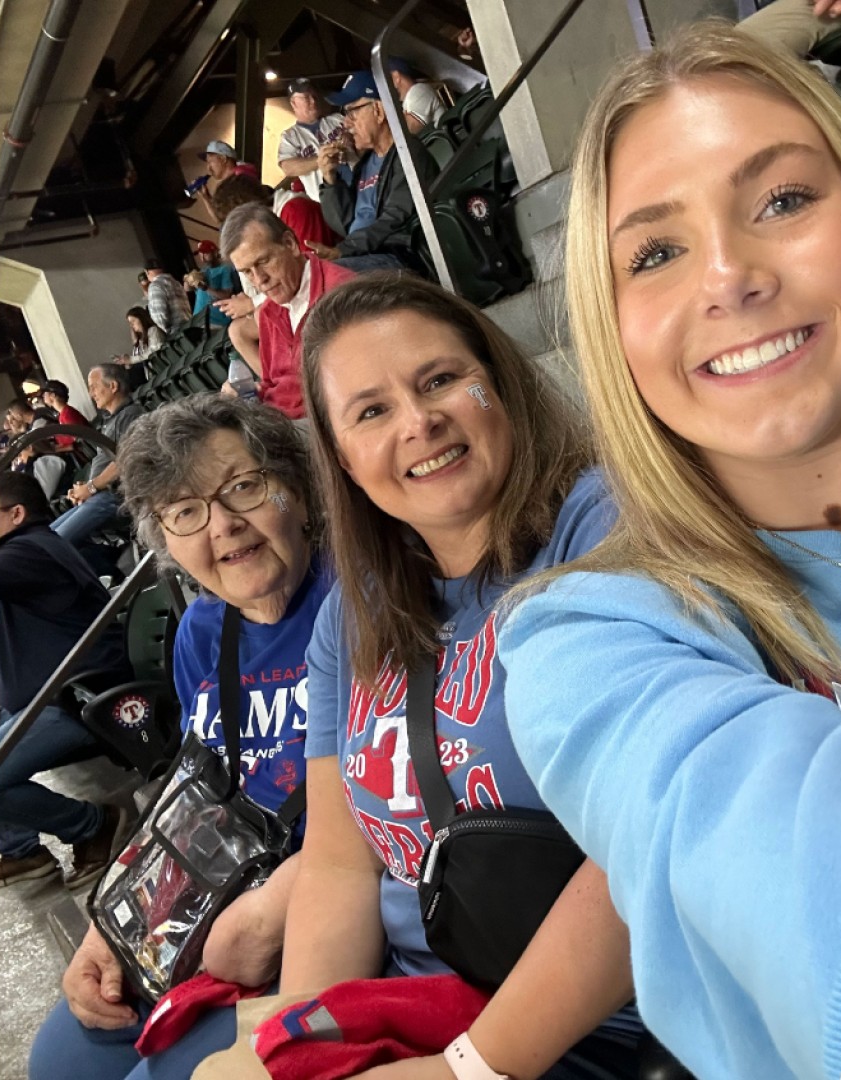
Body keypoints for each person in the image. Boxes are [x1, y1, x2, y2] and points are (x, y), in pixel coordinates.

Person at [495, 25, 841, 1080]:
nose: (730, 277)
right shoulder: (586, 642)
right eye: (655, 254)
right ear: (609, 325)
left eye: (784, 201)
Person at [285, 273, 648, 1077]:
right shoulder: (353, 611)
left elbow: (645, 834)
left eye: (441, 379)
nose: (420, 423)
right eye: (372, 411)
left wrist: (469, 1068)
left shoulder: (603, 524)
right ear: (342, 459)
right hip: (415, 1000)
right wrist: (303, 1042)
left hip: (580, 1029)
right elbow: (340, 865)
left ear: (498, 384)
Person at [28, 395, 333, 1080]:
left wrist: (276, 907)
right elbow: (200, 796)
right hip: (222, 898)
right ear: (164, 538)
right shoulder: (203, 631)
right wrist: (122, 922)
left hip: (327, 914)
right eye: (185, 511)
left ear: (297, 489)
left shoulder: (358, 597)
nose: (223, 525)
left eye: (244, 487)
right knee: (60, 1061)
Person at [0, 471, 133, 889]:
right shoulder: (25, 551)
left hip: (78, 703)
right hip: (48, 702)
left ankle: (93, 825)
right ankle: (23, 850)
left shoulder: (32, 552)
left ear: (16, 514)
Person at [220, 202, 356, 419]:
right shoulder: (267, 313)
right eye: (247, 272)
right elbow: (272, 384)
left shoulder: (341, 296)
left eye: (263, 261)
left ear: (290, 244)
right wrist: (251, 395)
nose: (260, 280)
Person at [315, 71, 440, 273]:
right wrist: (331, 182)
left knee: (328, 280)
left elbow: (395, 218)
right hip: (364, 254)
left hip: (399, 256)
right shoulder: (364, 164)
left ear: (379, 111)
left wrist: (345, 250)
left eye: (352, 112)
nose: (346, 123)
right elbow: (345, 225)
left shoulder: (408, 153)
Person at [51, 364, 144, 548]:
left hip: (116, 497)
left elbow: (125, 459)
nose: (91, 393)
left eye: (94, 386)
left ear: (113, 386)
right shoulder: (110, 420)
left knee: (53, 544)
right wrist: (83, 489)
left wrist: (91, 487)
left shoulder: (130, 414)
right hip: (100, 495)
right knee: (46, 536)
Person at [275, 78, 349, 204]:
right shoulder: (290, 137)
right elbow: (288, 168)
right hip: (324, 203)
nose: (313, 101)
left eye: (314, 95)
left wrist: (351, 139)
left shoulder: (337, 119)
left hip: (356, 190)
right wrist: (324, 158)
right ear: (294, 103)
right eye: (306, 98)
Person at [384, 56, 449, 134]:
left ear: (396, 76)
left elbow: (409, 129)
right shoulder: (408, 99)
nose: (384, 88)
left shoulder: (419, 90)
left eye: (385, 81)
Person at [188, 240, 241, 328]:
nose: (202, 258)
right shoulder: (203, 271)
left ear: (215, 252)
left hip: (215, 321)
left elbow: (226, 295)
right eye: (200, 254)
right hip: (197, 321)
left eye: (206, 253)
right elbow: (192, 291)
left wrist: (205, 287)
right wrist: (188, 281)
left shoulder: (225, 269)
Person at [140, 262, 188, 336]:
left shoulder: (155, 286)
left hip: (176, 334)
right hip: (189, 326)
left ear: (147, 272)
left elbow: (160, 317)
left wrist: (164, 332)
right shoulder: (176, 283)